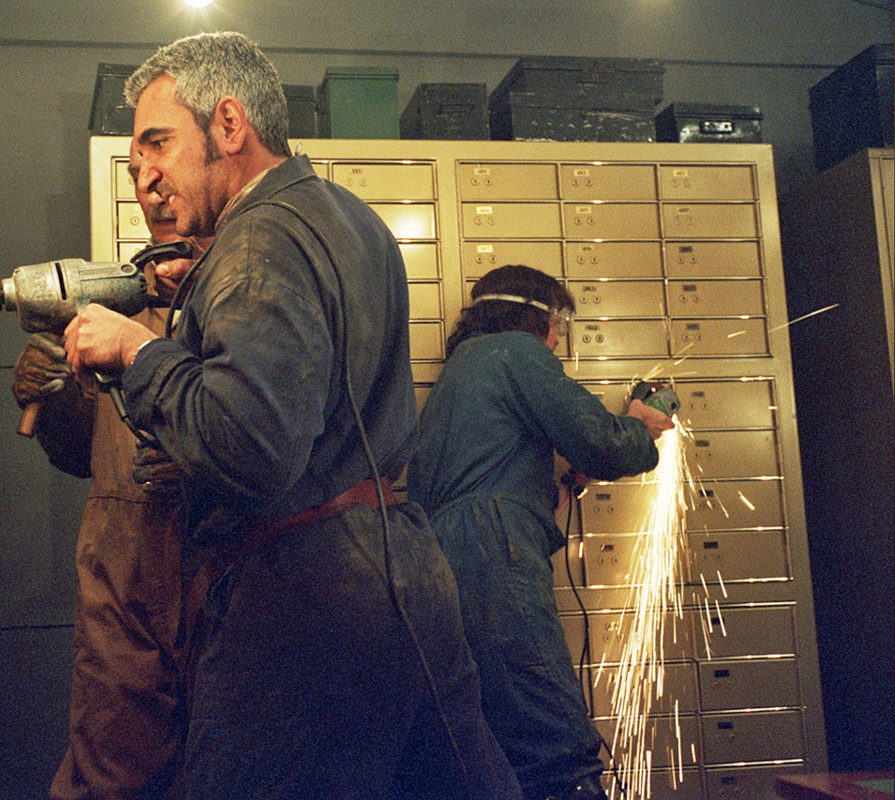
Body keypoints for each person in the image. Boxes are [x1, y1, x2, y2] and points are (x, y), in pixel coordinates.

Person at [63, 30, 520, 799]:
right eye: (136, 163)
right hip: (408, 578)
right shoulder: (351, 219)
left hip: (301, 605)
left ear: (229, 124)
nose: (146, 178)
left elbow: (252, 446)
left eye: (158, 144)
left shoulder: (256, 240)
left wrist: (139, 353)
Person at [406, 265, 675, 800]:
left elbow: (483, 476)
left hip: (441, 560)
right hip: (492, 555)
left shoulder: (465, 369)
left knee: (495, 739)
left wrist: (562, 485)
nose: (557, 341)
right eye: (558, 326)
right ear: (536, 317)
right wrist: (639, 426)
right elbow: (604, 443)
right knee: (552, 737)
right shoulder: (516, 352)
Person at [11, 147, 204, 799]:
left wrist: (201, 458)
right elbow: (80, 454)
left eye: (166, 177)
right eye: (138, 183)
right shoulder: (112, 315)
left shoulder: (244, 308)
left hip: (225, 572)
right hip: (124, 578)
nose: (153, 193)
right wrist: (53, 394)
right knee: (108, 769)